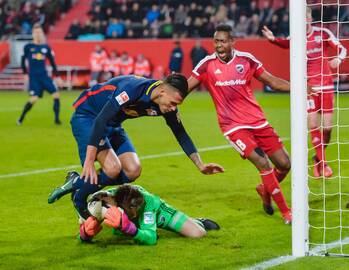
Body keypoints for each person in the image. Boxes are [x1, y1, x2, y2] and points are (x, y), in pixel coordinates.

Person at [48, 74, 224, 231]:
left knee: (133, 170)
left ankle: (78, 182)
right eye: (173, 103)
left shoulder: (166, 104)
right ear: (162, 90)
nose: (173, 108)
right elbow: (100, 120)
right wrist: (89, 161)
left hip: (113, 123)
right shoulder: (132, 89)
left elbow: (181, 133)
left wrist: (200, 165)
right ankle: (79, 198)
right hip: (89, 116)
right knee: (112, 169)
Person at [187, 24, 292, 224]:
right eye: (216, 41)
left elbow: (273, 82)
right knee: (263, 162)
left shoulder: (246, 60)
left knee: (285, 164)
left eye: (223, 41)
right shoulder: (206, 65)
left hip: (258, 121)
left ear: (233, 42)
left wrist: (301, 88)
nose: (219, 45)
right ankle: (287, 212)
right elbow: (185, 88)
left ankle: (265, 190)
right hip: (232, 126)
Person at [262, 7, 347, 178]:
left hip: (327, 85)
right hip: (309, 88)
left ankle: (318, 157)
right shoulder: (296, 38)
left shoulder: (322, 33)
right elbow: (284, 43)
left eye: (306, 18)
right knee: (313, 124)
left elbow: (342, 49)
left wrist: (338, 58)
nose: (304, 21)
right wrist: (272, 40)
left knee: (328, 128)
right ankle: (323, 165)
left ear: (310, 18)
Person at [78, 184, 220, 243]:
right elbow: (86, 223)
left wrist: (132, 230)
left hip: (159, 213)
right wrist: (85, 233)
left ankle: (196, 221)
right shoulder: (104, 201)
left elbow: (152, 238)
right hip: (130, 208)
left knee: (198, 233)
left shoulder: (147, 205)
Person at [17, 23, 61, 125]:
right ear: (33, 33)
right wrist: (25, 73)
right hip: (34, 77)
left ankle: (57, 120)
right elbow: (23, 61)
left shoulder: (46, 47)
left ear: (42, 34)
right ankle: (21, 118)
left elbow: (52, 62)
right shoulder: (28, 47)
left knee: (56, 95)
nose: (37, 34)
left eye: (39, 32)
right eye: (36, 32)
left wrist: (57, 76)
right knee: (34, 99)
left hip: (44, 76)